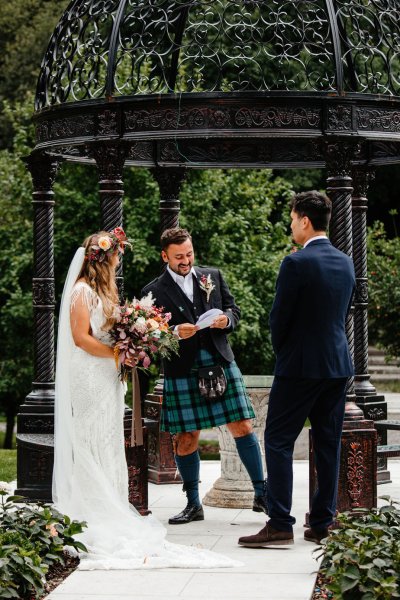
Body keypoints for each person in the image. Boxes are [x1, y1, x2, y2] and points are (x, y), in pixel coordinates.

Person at [53, 228, 238, 569]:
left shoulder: (105, 291)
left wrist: (136, 341)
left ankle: (109, 504)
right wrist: (117, 354)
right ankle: (90, 509)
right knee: (88, 440)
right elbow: (80, 338)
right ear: (103, 259)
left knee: (107, 441)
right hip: (89, 375)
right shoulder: (81, 292)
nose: (119, 259)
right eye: (117, 255)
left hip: (107, 377)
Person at [238, 191, 356, 548]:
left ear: (305, 220)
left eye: (292, 220)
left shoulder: (295, 263)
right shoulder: (346, 262)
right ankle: (322, 522)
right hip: (337, 365)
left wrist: (285, 354)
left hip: (300, 365)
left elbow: (279, 319)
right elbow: (345, 312)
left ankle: (279, 523)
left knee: (277, 440)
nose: (291, 226)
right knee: (327, 442)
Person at [142, 228, 266, 524]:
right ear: (165, 256)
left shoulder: (212, 275)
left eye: (189, 254)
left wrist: (226, 320)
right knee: (186, 437)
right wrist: (172, 333)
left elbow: (234, 310)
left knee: (242, 425)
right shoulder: (153, 291)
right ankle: (193, 504)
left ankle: (262, 494)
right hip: (182, 368)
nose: (186, 261)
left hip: (219, 359)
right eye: (179, 257)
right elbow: (147, 336)